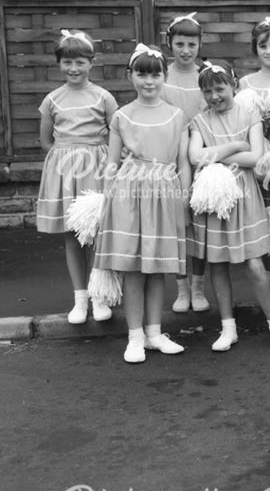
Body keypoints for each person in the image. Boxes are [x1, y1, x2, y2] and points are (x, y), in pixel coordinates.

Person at [93, 44, 190, 363]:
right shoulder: (122, 116)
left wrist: (184, 196)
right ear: (130, 76)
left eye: (155, 74)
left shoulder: (177, 115)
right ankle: (135, 337)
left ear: (164, 76)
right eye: (141, 74)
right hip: (130, 196)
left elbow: (183, 162)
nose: (149, 81)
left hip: (164, 194)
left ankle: (154, 333)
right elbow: (112, 162)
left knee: (157, 268)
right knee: (134, 268)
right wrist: (106, 199)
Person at [187, 61, 270, 352]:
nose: (214, 96)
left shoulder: (249, 114)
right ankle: (228, 327)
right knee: (217, 264)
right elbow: (195, 157)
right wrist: (234, 146)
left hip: (244, 197)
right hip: (215, 198)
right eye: (207, 92)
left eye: (220, 89)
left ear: (233, 86)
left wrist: (215, 154)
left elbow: (256, 157)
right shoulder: (199, 120)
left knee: (255, 264)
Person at [36, 29, 117, 324]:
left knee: (96, 233)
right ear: (59, 64)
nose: (74, 69)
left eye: (80, 62)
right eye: (67, 63)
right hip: (65, 172)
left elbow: (117, 133)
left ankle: (99, 296)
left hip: (95, 169)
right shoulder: (52, 100)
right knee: (73, 235)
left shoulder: (103, 97)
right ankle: (79, 298)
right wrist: (65, 161)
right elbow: (46, 141)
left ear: (91, 63)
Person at [162, 12, 210, 314]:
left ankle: (198, 287)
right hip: (169, 154)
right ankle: (181, 288)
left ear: (200, 44)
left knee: (200, 225)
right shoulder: (162, 74)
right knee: (177, 222)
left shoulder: (205, 74)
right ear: (169, 43)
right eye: (179, 43)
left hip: (201, 153)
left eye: (191, 44)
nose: (185, 50)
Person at [237, 16, 270, 149]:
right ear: (256, 48)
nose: (268, 51)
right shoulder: (245, 83)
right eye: (263, 46)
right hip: (252, 150)